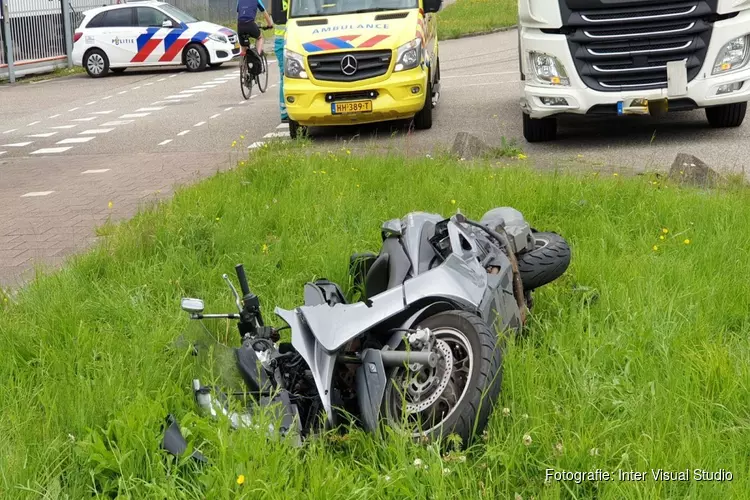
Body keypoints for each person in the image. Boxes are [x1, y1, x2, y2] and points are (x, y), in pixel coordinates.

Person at [237, 0, 273, 73]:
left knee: (244, 48)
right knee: (260, 38)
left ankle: (244, 69)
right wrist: (270, 24)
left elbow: (239, 13)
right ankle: (257, 56)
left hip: (240, 26)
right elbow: (264, 13)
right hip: (250, 24)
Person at [271, 0, 289, 122]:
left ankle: (285, 110)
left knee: (284, 76)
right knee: (285, 76)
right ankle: (284, 112)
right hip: (285, 40)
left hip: (281, 40)